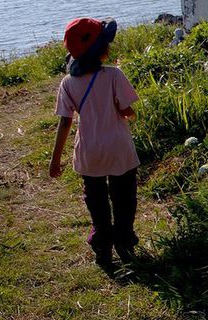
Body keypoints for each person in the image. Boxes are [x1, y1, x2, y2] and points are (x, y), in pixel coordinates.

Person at [49, 18, 141, 267]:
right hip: (118, 147)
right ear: (101, 48)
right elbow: (126, 110)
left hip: (89, 150)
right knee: (124, 197)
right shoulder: (113, 75)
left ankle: (102, 244)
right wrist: (130, 114)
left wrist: (55, 160)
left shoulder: (68, 83)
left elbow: (65, 123)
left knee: (97, 202)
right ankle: (124, 241)